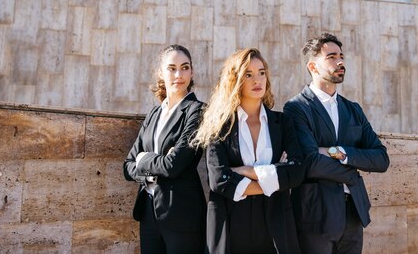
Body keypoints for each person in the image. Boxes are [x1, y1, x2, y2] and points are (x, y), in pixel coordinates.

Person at [283, 33, 390, 254]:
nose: (340, 62)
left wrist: (339, 152)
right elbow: (310, 161)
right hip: (315, 215)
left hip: (353, 213)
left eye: (341, 56)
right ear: (313, 66)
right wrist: (352, 173)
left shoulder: (353, 109)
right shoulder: (296, 108)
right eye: (331, 57)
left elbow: (381, 159)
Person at [191, 48, 304, 254]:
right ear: (234, 80)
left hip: (275, 225)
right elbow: (219, 180)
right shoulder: (219, 125)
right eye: (248, 74)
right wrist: (274, 179)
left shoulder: (282, 122)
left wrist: (244, 171)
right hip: (232, 224)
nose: (257, 80)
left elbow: (296, 172)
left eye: (261, 72)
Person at [124, 44, 206, 254]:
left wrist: (143, 159)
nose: (179, 74)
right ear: (161, 73)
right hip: (148, 211)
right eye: (172, 68)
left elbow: (173, 165)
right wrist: (151, 165)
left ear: (192, 71)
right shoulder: (154, 114)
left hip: (182, 214)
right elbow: (127, 166)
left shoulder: (197, 111)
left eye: (185, 67)